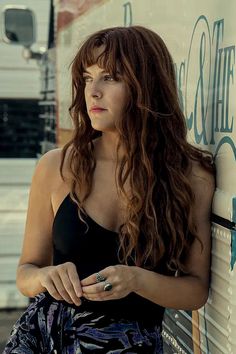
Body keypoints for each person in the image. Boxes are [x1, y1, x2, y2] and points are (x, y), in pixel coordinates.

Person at [4, 25, 215, 354]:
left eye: (110, 77)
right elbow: (26, 271)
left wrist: (136, 280)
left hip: (132, 347)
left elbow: (196, 290)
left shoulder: (191, 176)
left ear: (146, 85)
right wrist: (47, 277)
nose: (93, 91)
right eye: (88, 78)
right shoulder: (57, 167)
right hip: (46, 341)